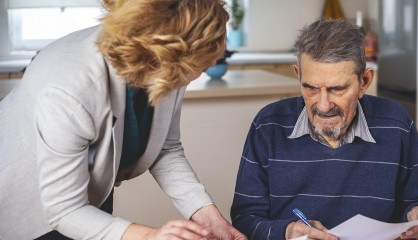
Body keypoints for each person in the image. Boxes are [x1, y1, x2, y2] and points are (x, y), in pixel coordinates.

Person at [0, 0, 246, 239]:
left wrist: (209, 217)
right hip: (27, 198)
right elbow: (65, 210)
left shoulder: (167, 66)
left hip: (91, 191)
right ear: (166, 54)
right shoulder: (69, 87)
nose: (210, 64)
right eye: (201, 64)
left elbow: (165, 150)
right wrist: (152, 235)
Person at [230, 19, 418, 240]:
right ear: (298, 76)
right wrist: (286, 231)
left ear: (364, 82)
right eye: (311, 88)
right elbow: (244, 218)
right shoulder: (267, 125)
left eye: (337, 89)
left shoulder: (397, 124)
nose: (323, 105)